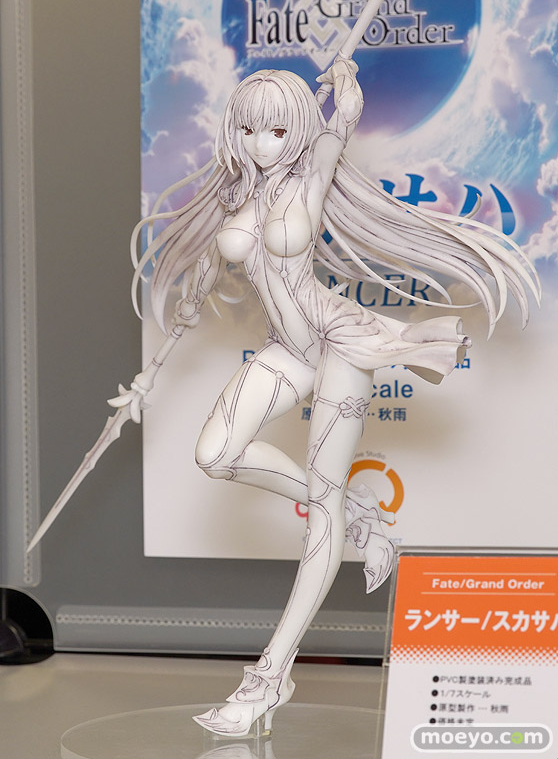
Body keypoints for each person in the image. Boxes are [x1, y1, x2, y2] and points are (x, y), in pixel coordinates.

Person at [132, 59, 539, 735]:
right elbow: (200, 282)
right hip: (288, 350)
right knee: (215, 454)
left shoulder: (312, 173)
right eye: (250, 130)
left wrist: (345, 96)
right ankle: (358, 510)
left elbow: (340, 123)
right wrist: (151, 374)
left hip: (340, 341)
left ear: (297, 130)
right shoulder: (235, 197)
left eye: (277, 130)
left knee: (317, 514)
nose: (262, 144)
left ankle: (269, 679)